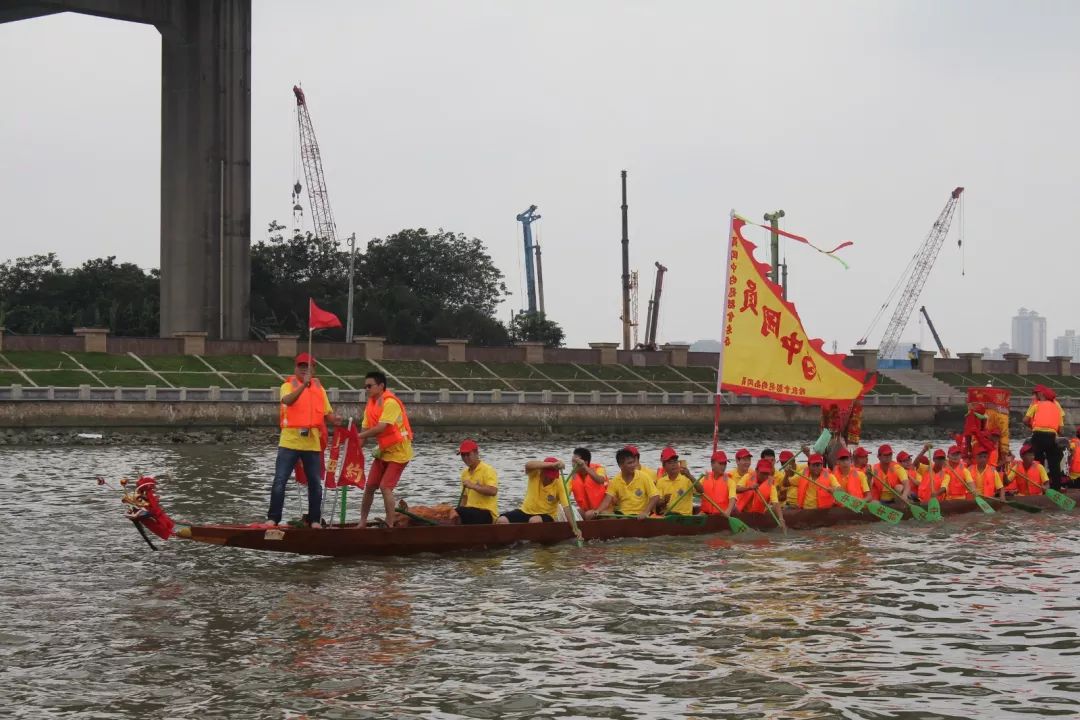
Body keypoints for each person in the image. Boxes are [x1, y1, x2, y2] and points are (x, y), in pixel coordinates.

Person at [266, 352, 342, 528]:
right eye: (301, 366)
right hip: (290, 441)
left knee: (315, 483)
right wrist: (303, 386)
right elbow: (288, 401)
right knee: (280, 480)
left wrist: (335, 419)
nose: (304, 369)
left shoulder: (319, 389)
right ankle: (273, 518)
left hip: (312, 442)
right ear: (295, 368)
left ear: (314, 369)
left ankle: (315, 520)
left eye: (308, 366)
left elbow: (327, 413)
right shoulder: (288, 385)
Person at [355, 370, 414, 529]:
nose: (366, 389)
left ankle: (389, 524)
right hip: (383, 450)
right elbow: (365, 431)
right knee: (370, 486)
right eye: (365, 386)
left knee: (385, 487)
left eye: (369, 386)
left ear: (381, 386)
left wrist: (358, 436)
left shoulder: (390, 403)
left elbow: (381, 428)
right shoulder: (371, 404)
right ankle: (362, 523)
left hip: (400, 452)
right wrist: (354, 450)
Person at [588, 448, 660, 520]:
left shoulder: (644, 477)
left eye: (633, 462)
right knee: (602, 513)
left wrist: (645, 512)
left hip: (639, 515)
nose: (633, 465)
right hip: (623, 514)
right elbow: (607, 500)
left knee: (622, 519)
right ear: (620, 465)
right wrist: (597, 511)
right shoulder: (615, 480)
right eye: (629, 463)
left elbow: (655, 496)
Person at [498, 457, 571, 524]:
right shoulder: (534, 474)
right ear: (541, 471)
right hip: (525, 511)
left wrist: (575, 528)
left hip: (547, 515)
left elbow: (566, 507)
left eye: (552, 477)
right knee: (502, 520)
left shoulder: (560, 483)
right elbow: (528, 465)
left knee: (534, 521)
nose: (550, 479)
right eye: (547, 476)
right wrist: (552, 465)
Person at [1024, 384, 1066, 490]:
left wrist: (1033, 426)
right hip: (1051, 437)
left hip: (1037, 436)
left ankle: (1039, 487)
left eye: (1036, 393)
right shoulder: (1057, 406)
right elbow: (1061, 430)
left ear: (1041, 394)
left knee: (1038, 462)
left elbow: (1025, 420)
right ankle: (1056, 488)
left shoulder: (1036, 404)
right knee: (1054, 462)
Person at [454, 439, 499, 524]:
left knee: (460, 512)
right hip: (470, 512)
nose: (465, 458)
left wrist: (473, 486)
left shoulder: (488, 470)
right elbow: (464, 498)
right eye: (463, 455)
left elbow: (493, 491)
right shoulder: (464, 473)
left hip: (487, 513)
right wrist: (455, 513)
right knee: (453, 513)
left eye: (468, 454)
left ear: (476, 453)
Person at [735, 459, 785, 527]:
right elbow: (736, 489)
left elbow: (775, 502)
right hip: (741, 512)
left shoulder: (771, 485)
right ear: (756, 470)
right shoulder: (747, 476)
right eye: (762, 473)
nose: (764, 476)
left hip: (757, 515)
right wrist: (749, 488)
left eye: (767, 473)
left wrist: (781, 519)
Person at [655, 447, 696, 516]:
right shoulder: (660, 482)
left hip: (685, 517)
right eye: (670, 462)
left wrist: (689, 475)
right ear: (664, 466)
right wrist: (664, 501)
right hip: (669, 516)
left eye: (675, 461)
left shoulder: (687, 478)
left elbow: (701, 490)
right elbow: (658, 504)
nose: (673, 464)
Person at [568, 447, 608, 515]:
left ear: (585, 462)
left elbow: (600, 480)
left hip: (603, 508)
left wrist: (584, 467)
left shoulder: (599, 469)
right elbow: (565, 493)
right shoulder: (573, 476)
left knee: (588, 514)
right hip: (586, 510)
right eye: (572, 461)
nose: (573, 464)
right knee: (568, 513)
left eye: (576, 461)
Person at [699, 450, 737, 516]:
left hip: (721, 515)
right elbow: (694, 490)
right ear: (712, 464)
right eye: (720, 463)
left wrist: (728, 511)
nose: (723, 466)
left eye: (725, 464)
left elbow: (732, 498)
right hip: (704, 513)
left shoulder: (730, 482)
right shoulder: (704, 478)